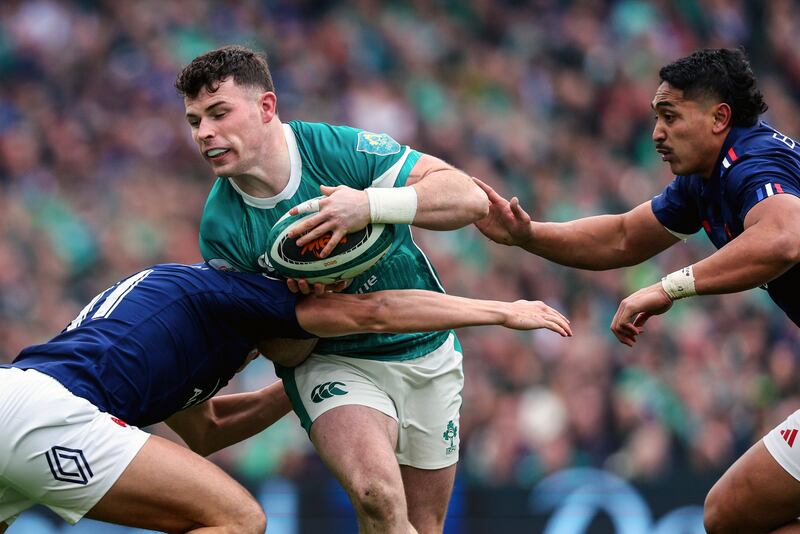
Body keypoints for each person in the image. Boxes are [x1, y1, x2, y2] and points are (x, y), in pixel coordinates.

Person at [474, 47, 800, 533]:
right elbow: (623, 236)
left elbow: (783, 238)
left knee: (730, 513)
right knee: (732, 513)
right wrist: (528, 234)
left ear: (719, 117)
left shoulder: (753, 160)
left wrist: (671, 288)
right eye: (654, 117)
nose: (656, 134)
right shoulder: (705, 179)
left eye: (670, 116)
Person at [0, 261, 571, 533]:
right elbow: (375, 311)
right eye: (306, 329)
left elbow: (207, 430)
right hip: (48, 414)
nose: (298, 343)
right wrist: (498, 310)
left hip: (18, 399)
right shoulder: (243, 295)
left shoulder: (182, 324)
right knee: (239, 519)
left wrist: (292, 387)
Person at [176, 45, 493, 533]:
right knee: (376, 496)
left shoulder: (334, 149)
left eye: (219, 114)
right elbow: (283, 350)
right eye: (196, 121)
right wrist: (311, 300)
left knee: (420, 525)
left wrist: (369, 204)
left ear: (266, 108)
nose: (205, 134)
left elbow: (468, 198)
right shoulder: (221, 231)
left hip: (425, 349)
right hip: (334, 361)